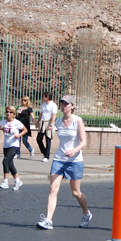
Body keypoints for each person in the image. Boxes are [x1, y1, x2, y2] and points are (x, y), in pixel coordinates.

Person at [37, 96, 91, 230]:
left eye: (66, 104)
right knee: (53, 188)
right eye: (62, 103)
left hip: (75, 160)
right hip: (59, 159)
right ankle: (48, 220)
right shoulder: (59, 121)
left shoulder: (78, 121)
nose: (63, 106)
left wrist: (74, 150)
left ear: (73, 106)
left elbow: (84, 142)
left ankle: (86, 213)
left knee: (75, 192)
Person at [0, 106, 27, 191]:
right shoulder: (3, 122)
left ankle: (5, 182)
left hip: (14, 145)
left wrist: (19, 135)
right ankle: (17, 180)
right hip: (6, 145)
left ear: (14, 114)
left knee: (5, 161)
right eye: (7, 112)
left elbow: (25, 130)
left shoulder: (17, 122)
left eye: (10, 112)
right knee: (10, 163)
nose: (8, 114)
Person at [35, 92, 57, 163]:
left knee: (48, 139)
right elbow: (42, 113)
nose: (42, 98)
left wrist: (51, 124)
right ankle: (44, 152)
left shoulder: (53, 105)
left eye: (44, 96)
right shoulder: (44, 104)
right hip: (43, 122)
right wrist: (37, 122)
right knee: (39, 139)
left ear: (47, 97)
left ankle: (47, 156)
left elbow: (54, 115)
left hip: (49, 122)